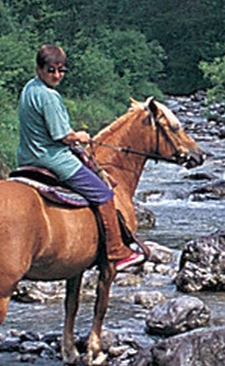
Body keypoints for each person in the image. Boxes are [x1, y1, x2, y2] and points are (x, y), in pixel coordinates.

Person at [18, 44, 143, 272]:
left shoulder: (29, 88)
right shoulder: (49, 96)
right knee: (104, 194)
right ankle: (117, 251)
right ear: (39, 69)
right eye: (50, 70)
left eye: (60, 70)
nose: (56, 75)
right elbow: (62, 135)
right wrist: (80, 136)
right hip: (53, 158)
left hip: (27, 156)